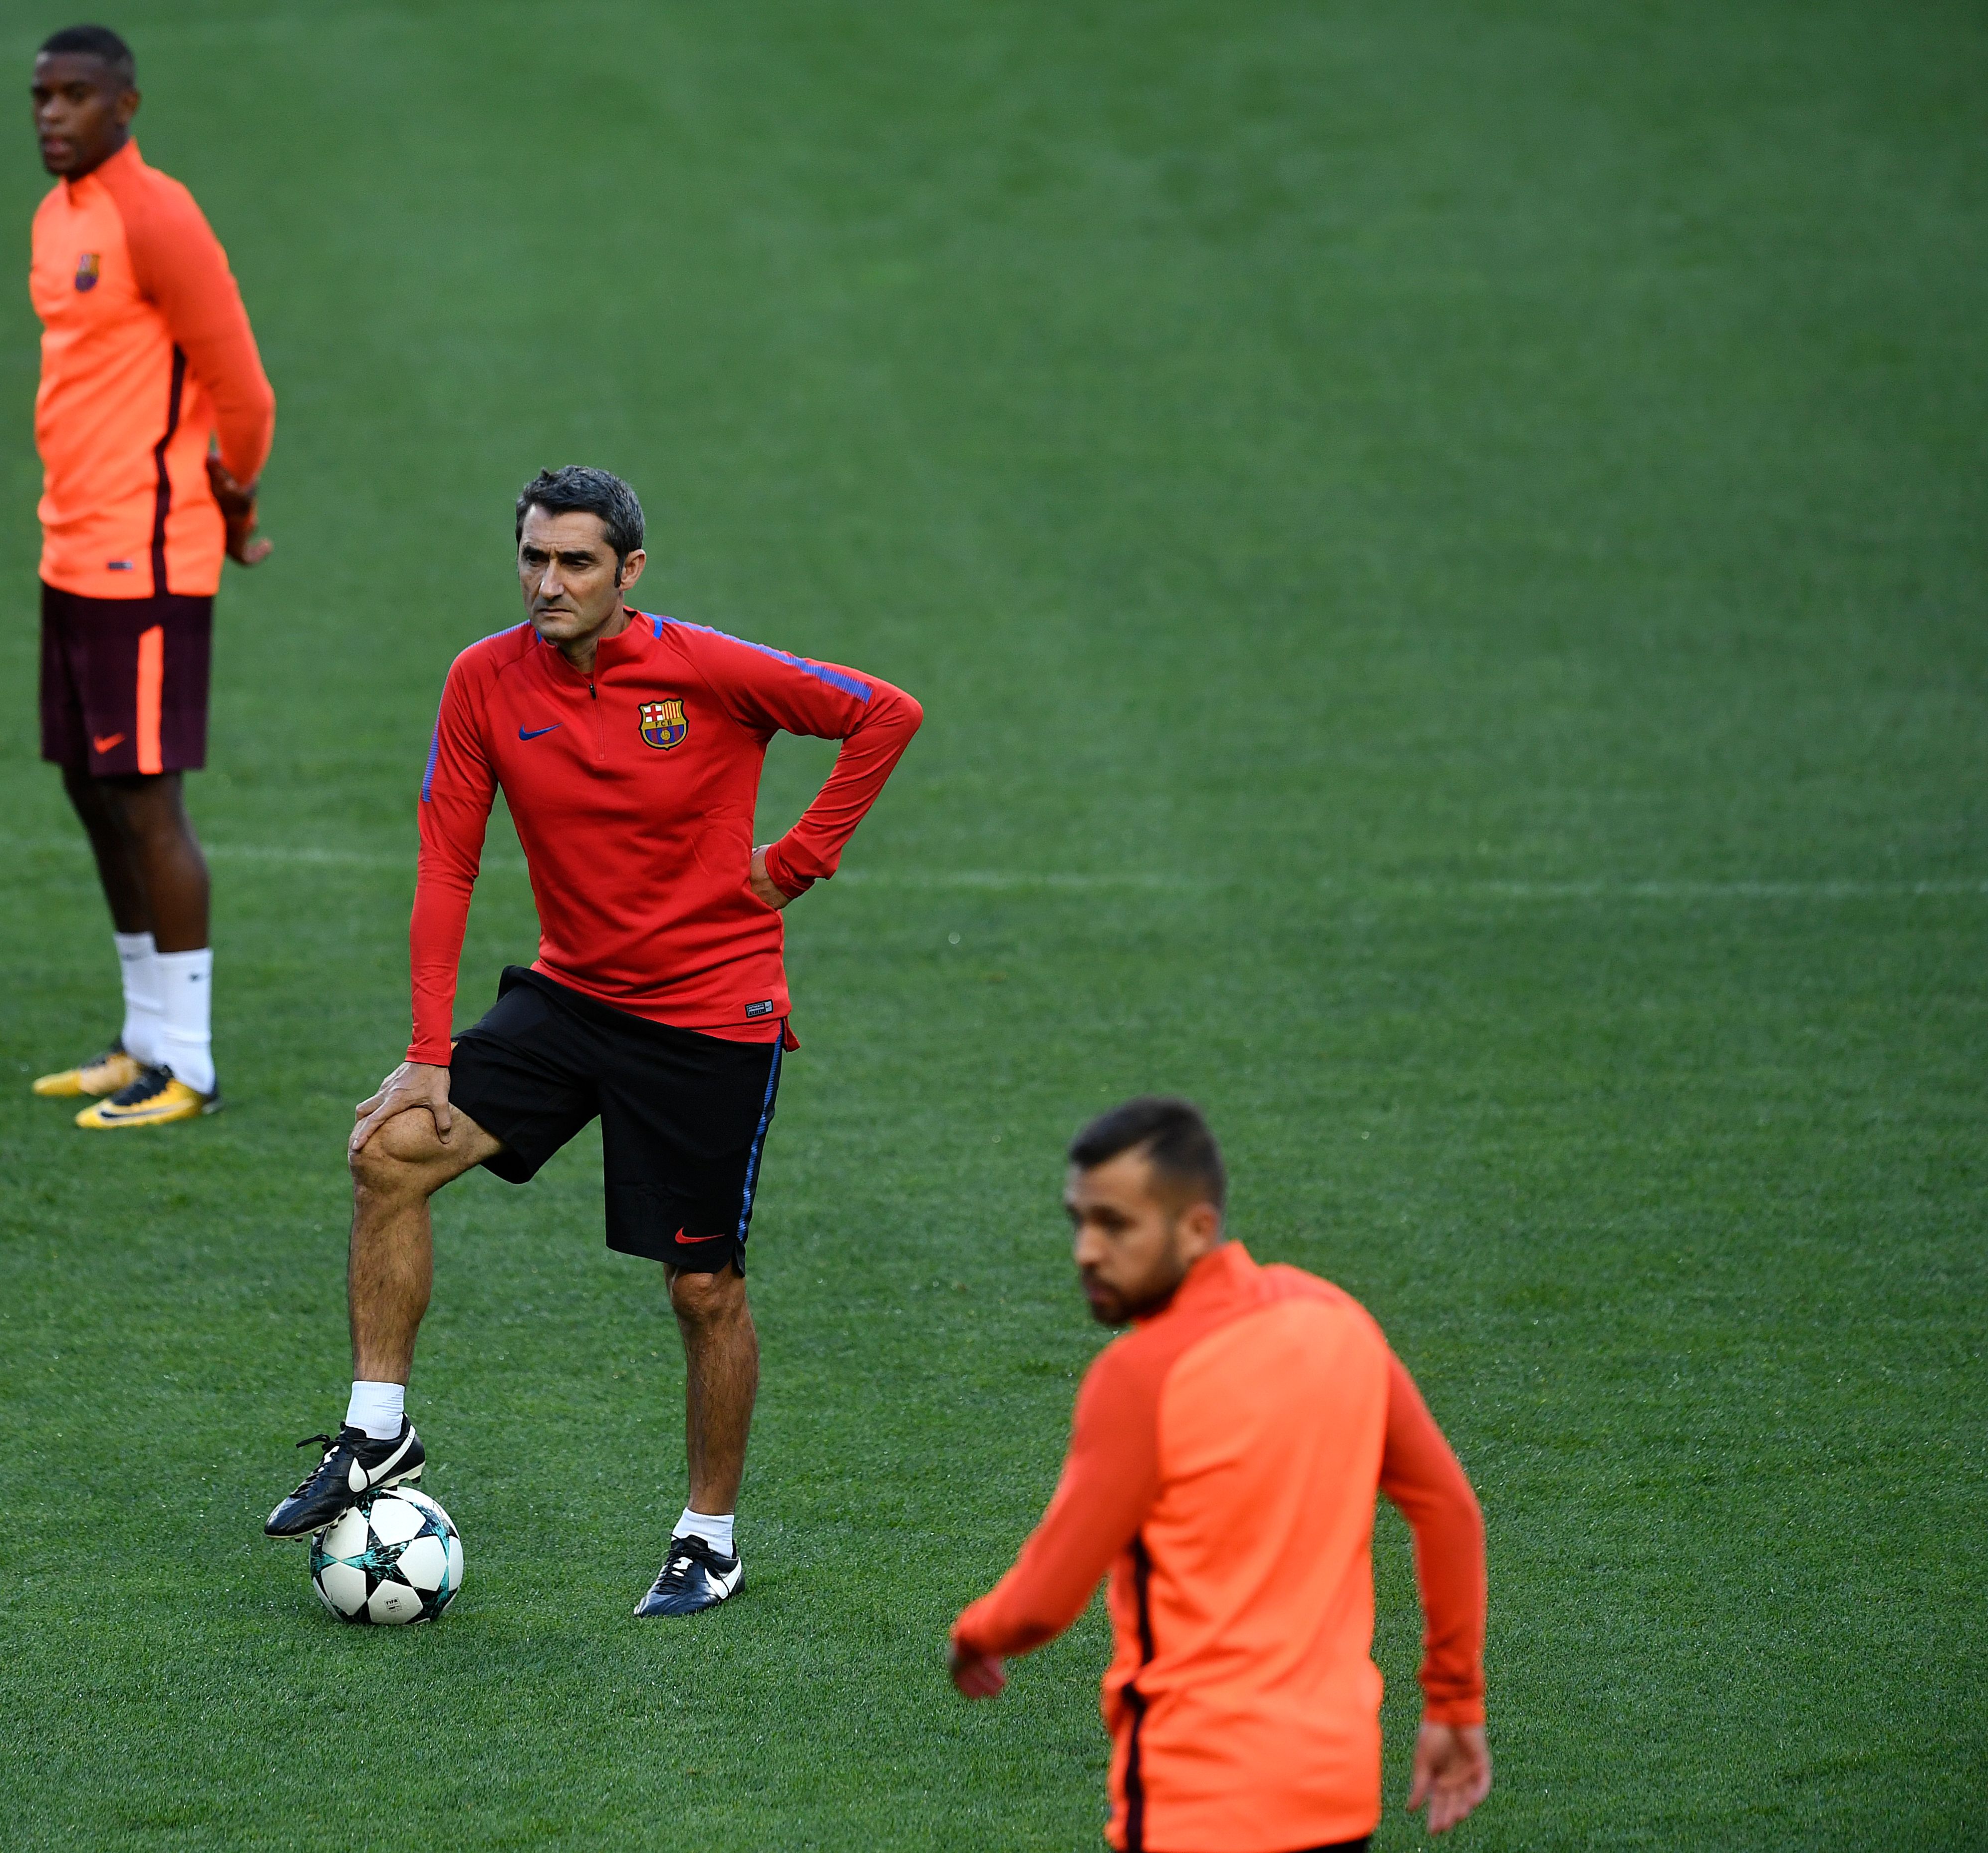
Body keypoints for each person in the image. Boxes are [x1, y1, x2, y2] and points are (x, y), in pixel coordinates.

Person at [261, 466, 924, 1617]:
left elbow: (884, 711)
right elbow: (447, 863)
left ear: (630, 570)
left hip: (712, 1014)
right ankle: (378, 1433)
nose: (548, 582)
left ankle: (708, 1539)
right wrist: (429, 1050)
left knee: (703, 1287)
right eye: (533, 556)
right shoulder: (483, 680)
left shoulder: (706, 668)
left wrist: (798, 860)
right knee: (389, 1151)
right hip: (571, 999)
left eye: (575, 561)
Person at [949, 1098, 1493, 1850]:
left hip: (1196, 1801)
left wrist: (976, 1634)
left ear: (1197, 1228)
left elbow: (1045, 1600)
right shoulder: (1337, 1322)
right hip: (1335, 1791)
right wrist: (1455, 1702)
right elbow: (1449, 1509)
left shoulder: (1142, 1376)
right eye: (1078, 1221)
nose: (1086, 1251)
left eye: (1116, 1225)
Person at [21, 23, 276, 1130]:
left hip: (148, 555)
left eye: (75, 96)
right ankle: (141, 1039)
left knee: (147, 798)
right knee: (89, 785)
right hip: (70, 547)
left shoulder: (156, 214)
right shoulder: (57, 214)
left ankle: (194, 1064)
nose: (52, 114)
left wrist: (237, 501)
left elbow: (245, 392)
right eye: (41, 96)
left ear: (126, 106)